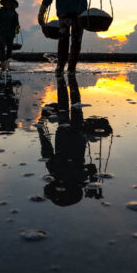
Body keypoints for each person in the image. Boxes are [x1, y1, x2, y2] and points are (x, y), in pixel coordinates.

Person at [36, 75, 100, 206]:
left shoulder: (79, 179)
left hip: (78, 135)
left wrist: (93, 181)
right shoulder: (55, 171)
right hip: (65, 133)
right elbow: (46, 148)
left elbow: (92, 167)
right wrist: (41, 130)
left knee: (75, 103)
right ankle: (64, 78)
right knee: (65, 104)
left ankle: (70, 77)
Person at [0, 0, 20, 68]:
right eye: (6, 2)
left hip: (11, 32)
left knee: (9, 47)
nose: (8, 4)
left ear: (12, 4)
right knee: (2, 46)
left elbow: (16, 23)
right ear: (4, 4)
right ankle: (2, 61)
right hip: (1, 31)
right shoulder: (0, 11)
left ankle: (7, 61)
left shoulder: (14, 13)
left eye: (9, 3)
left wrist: (17, 28)